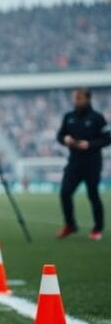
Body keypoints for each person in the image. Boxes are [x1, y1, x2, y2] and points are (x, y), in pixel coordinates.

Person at [55, 87, 110, 241]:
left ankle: (97, 228)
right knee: (65, 192)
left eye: (79, 98)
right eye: (75, 98)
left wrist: (90, 144)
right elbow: (59, 135)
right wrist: (64, 139)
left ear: (88, 99)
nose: (76, 101)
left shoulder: (97, 118)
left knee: (93, 194)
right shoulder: (69, 117)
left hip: (92, 162)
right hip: (74, 162)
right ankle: (70, 225)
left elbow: (107, 139)